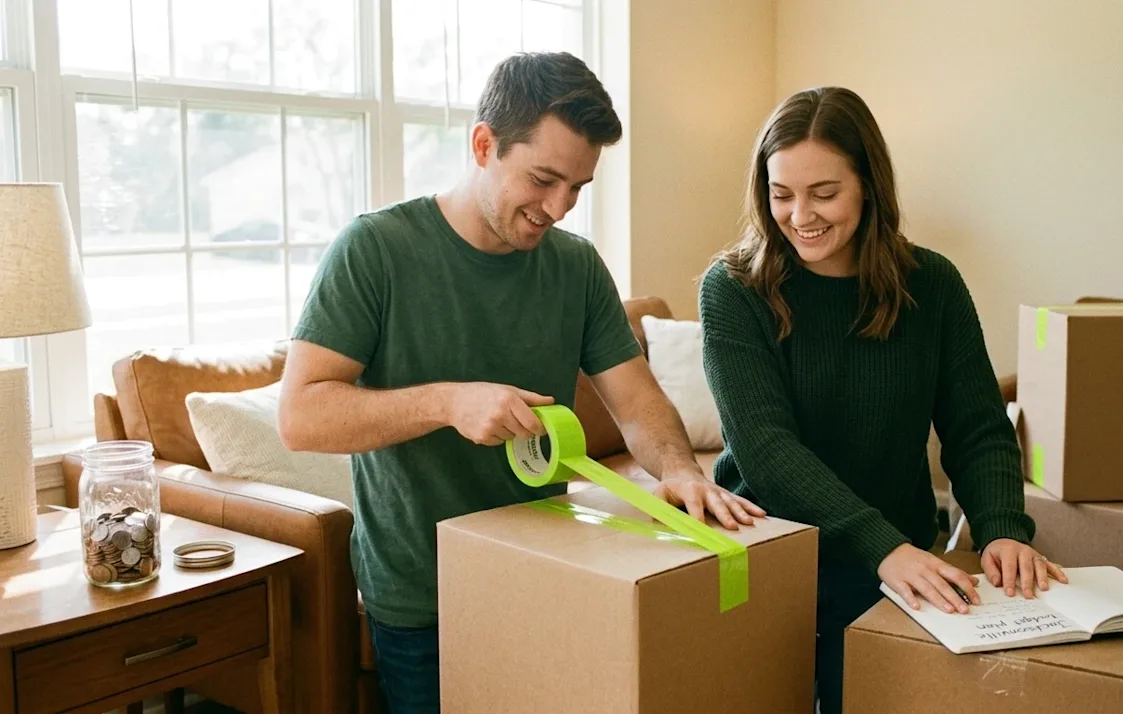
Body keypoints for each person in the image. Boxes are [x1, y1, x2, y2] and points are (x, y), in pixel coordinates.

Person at [277, 52, 764, 714]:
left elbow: (637, 399)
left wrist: (679, 469)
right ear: (484, 144)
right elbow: (301, 417)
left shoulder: (575, 267)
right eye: (543, 179)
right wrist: (449, 403)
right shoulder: (375, 251)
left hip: (547, 574)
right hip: (425, 596)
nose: (559, 207)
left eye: (578, 188)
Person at [698, 86, 1067, 713]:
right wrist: (883, 546)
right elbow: (764, 449)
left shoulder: (934, 284)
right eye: (780, 194)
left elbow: (977, 426)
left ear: (869, 185)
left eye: (824, 193)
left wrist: (1003, 528)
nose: (799, 216)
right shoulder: (733, 288)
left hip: (889, 556)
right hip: (772, 549)